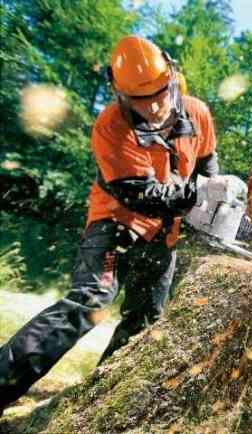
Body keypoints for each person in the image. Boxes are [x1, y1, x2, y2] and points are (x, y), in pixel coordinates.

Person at [0, 35, 227, 412]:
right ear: (122, 95)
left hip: (163, 236)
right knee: (88, 303)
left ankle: (98, 407)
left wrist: (215, 200)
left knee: (144, 324)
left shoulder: (197, 113)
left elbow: (207, 168)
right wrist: (194, 197)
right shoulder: (110, 126)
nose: (153, 106)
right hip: (114, 226)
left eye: (159, 93)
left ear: (172, 79)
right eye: (141, 99)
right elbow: (139, 195)